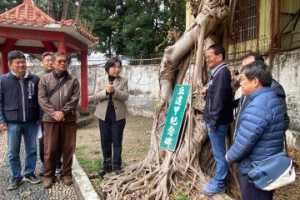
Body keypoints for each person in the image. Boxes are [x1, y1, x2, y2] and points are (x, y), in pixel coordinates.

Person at [226, 61, 285, 200]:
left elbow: (244, 141)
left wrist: (229, 156)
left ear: (255, 82)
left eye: (243, 79)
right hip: (266, 166)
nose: (240, 83)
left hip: (256, 170)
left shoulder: (259, 106)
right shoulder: (270, 98)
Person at [0, 50, 41, 190]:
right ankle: (16, 175)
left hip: (31, 121)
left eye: (23, 62)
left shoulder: (34, 79)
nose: (21, 65)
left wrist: (40, 117)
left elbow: (40, 100)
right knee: (13, 151)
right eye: (17, 62)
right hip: (13, 121)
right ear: (10, 64)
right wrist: (1, 120)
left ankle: (29, 173)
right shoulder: (3, 80)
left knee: (32, 149)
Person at [38, 52, 80, 188]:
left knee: (68, 148)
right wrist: (53, 113)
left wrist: (63, 112)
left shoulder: (73, 80)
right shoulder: (44, 79)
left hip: (69, 119)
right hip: (50, 120)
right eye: (59, 61)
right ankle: (48, 175)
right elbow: (42, 99)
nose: (62, 63)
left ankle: (66, 173)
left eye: (64, 61)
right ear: (53, 63)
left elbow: (75, 98)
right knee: (49, 148)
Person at [201, 44, 233, 195]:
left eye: (209, 56)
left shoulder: (222, 73)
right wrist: (207, 93)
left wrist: (213, 122)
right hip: (216, 121)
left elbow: (219, 101)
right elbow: (217, 96)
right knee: (218, 153)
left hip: (217, 123)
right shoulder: (218, 73)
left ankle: (219, 184)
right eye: (206, 57)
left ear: (219, 56)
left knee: (219, 155)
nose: (207, 59)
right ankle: (217, 180)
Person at [235, 52, 290, 131]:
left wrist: (262, 139)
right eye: (243, 67)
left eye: (247, 66)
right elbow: (244, 103)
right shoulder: (248, 85)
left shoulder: (274, 88)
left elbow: (282, 121)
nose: (243, 70)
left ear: (259, 66)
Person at [94, 57, 129, 177]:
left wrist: (115, 91)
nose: (117, 69)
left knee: (117, 140)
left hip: (118, 114)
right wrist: (106, 91)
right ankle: (106, 165)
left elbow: (125, 96)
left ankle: (117, 165)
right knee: (105, 140)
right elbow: (96, 96)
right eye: (114, 67)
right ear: (108, 68)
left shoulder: (123, 81)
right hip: (103, 114)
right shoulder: (100, 80)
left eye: (119, 67)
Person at [36, 52, 63, 176]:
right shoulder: (37, 78)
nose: (49, 63)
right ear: (42, 62)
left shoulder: (61, 76)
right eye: (46, 60)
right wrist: (37, 116)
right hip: (43, 115)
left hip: (58, 113)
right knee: (44, 141)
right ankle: (45, 164)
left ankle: (57, 162)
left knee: (58, 140)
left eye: (51, 60)